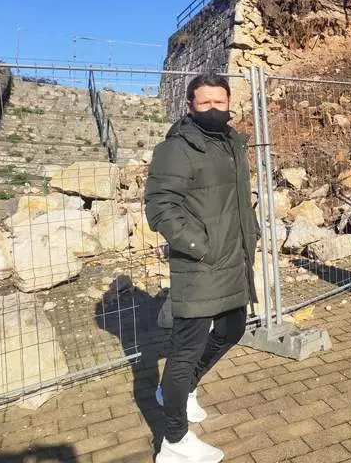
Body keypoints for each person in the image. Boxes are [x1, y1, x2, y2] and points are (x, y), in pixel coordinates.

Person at [145, 73, 257, 462]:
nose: (213, 109)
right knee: (184, 352)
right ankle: (173, 442)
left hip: (233, 260)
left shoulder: (229, 142)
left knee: (232, 329)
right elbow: (160, 206)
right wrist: (199, 246)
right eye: (205, 103)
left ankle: (181, 389)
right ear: (190, 105)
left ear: (229, 103)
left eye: (219, 102)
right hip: (201, 264)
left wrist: (250, 234)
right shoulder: (177, 148)